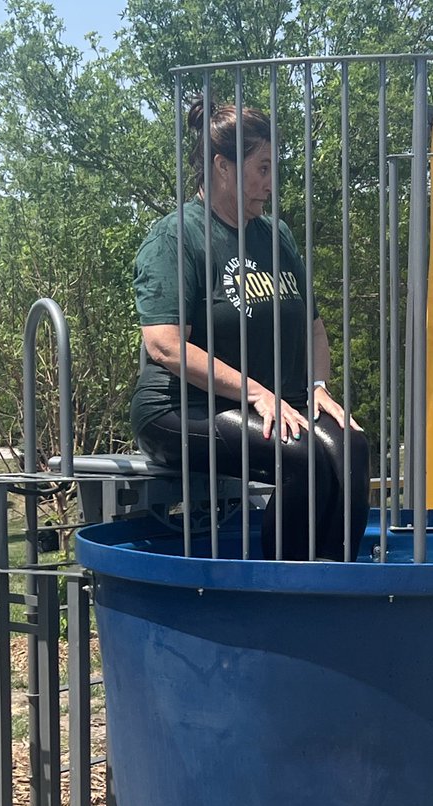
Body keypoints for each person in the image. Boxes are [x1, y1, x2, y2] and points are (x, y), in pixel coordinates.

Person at [131, 100, 370, 561]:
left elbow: (314, 327)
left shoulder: (275, 235)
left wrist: (317, 388)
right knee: (302, 457)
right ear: (223, 166)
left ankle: (338, 588)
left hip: (268, 404)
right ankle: (287, 593)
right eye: (261, 168)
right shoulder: (176, 236)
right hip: (180, 408)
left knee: (351, 449)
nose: (270, 182)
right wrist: (257, 392)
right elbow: (164, 345)